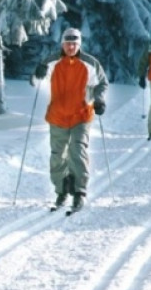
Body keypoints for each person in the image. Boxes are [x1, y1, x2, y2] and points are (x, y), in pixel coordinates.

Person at [31, 27, 109, 213]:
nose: (71, 46)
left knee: (77, 149)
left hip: (81, 115)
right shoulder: (51, 62)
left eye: (74, 43)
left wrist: (99, 100)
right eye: (68, 43)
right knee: (58, 155)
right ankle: (62, 190)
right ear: (62, 44)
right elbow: (35, 81)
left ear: (79, 44)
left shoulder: (90, 63)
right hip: (57, 115)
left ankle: (79, 192)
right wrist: (37, 72)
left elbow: (102, 84)